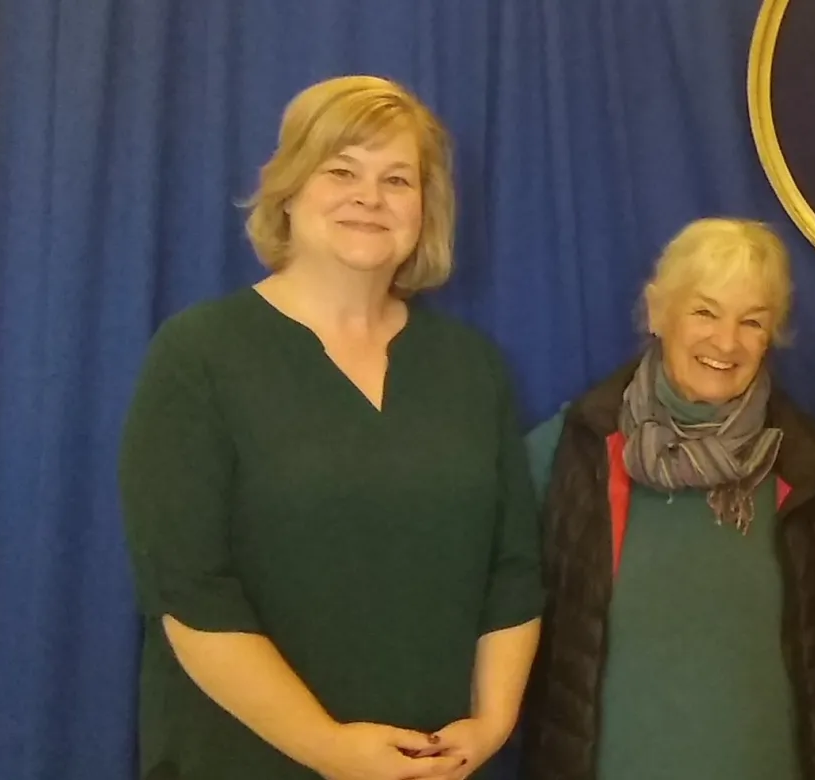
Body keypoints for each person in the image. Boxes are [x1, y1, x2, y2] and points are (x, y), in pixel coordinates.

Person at [117, 76, 543, 780]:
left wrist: (493, 723)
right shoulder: (199, 356)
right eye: (342, 171)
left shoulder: (472, 368)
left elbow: (514, 572)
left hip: (428, 767)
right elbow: (189, 592)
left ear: (425, 208)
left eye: (396, 179)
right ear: (289, 189)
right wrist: (328, 748)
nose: (369, 199)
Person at [517, 218, 815, 780]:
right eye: (704, 312)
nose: (726, 342)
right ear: (657, 313)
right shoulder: (568, 453)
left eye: (752, 321)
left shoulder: (814, 467)